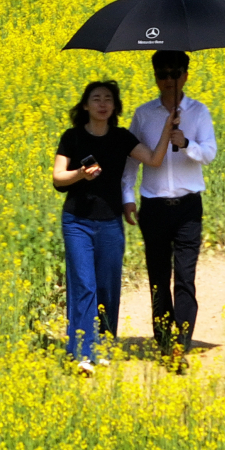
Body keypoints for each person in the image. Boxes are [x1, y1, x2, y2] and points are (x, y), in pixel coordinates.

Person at [53, 79, 176, 375]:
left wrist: (167, 129)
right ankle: (82, 353)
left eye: (108, 98)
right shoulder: (72, 137)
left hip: (110, 223)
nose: (102, 103)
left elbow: (155, 160)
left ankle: (104, 346)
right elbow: (58, 178)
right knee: (84, 285)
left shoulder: (122, 138)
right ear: (85, 105)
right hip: (77, 222)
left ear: (115, 106)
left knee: (107, 288)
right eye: (96, 98)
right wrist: (81, 174)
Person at [121, 50, 218, 373]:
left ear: (185, 75)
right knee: (159, 277)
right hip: (154, 207)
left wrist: (186, 142)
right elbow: (131, 158)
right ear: (155, 77)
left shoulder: (198, 112)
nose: (168, 80)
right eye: (162, 74)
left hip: (189, 207)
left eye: (174, 73)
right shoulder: (144, 114)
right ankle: (163, 340)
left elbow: (209, 153)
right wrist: (127, 197)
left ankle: (182, 343)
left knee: (185, 278)